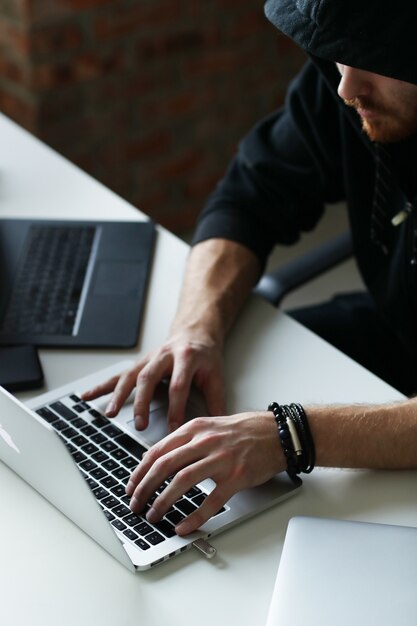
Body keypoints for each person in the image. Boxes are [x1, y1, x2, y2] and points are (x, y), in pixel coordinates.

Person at [83, 0, 417, 536]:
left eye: (373, 60)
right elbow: (250, 195)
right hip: (396, 328)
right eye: (337, 58)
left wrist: (289, 437)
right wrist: (195, 330)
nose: (345, 89)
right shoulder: (354, 85)